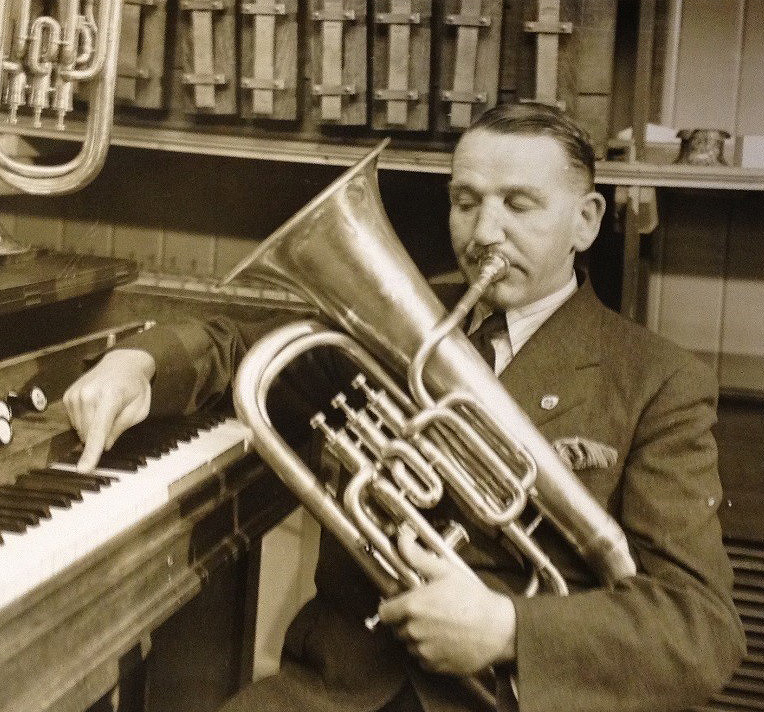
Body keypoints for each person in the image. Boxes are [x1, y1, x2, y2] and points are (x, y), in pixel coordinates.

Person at [64, 103, 745, 712]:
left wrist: (507, 629)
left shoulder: (656, 380)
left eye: (519, 205)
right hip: (337, 689)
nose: (485, 231)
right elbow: (242, 345)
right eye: (465, 201)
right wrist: (140, 362)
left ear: (586, 221)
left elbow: (701, 629)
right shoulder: (394, 319)